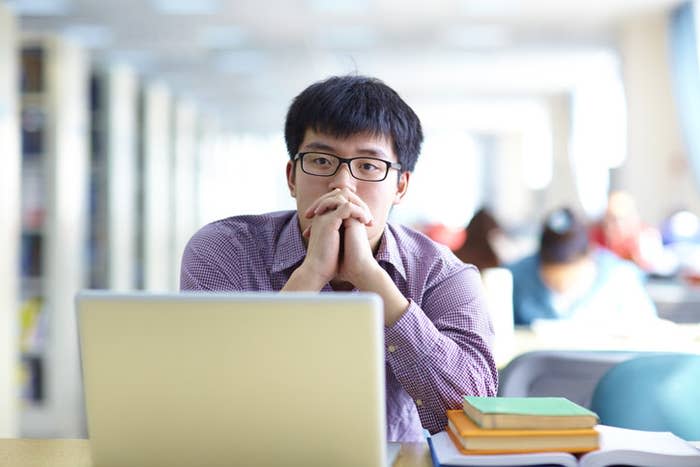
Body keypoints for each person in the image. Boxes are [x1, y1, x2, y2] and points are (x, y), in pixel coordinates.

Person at [180, 75, 498, 442]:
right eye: (320, 160)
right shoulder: (224, 250)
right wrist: (310, 275)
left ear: (400, 186)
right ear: (291, 177)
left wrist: (373, 280)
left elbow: (475, 409)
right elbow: (209, 397)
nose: (343, 185)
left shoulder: (442, 273)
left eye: (368, 166)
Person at [508, 207, 657, 326]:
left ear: (590, 256)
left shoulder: (620, 277)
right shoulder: (514, 278)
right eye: (553, 279)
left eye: (570, 276)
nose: (562, 285)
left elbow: (647, 328)